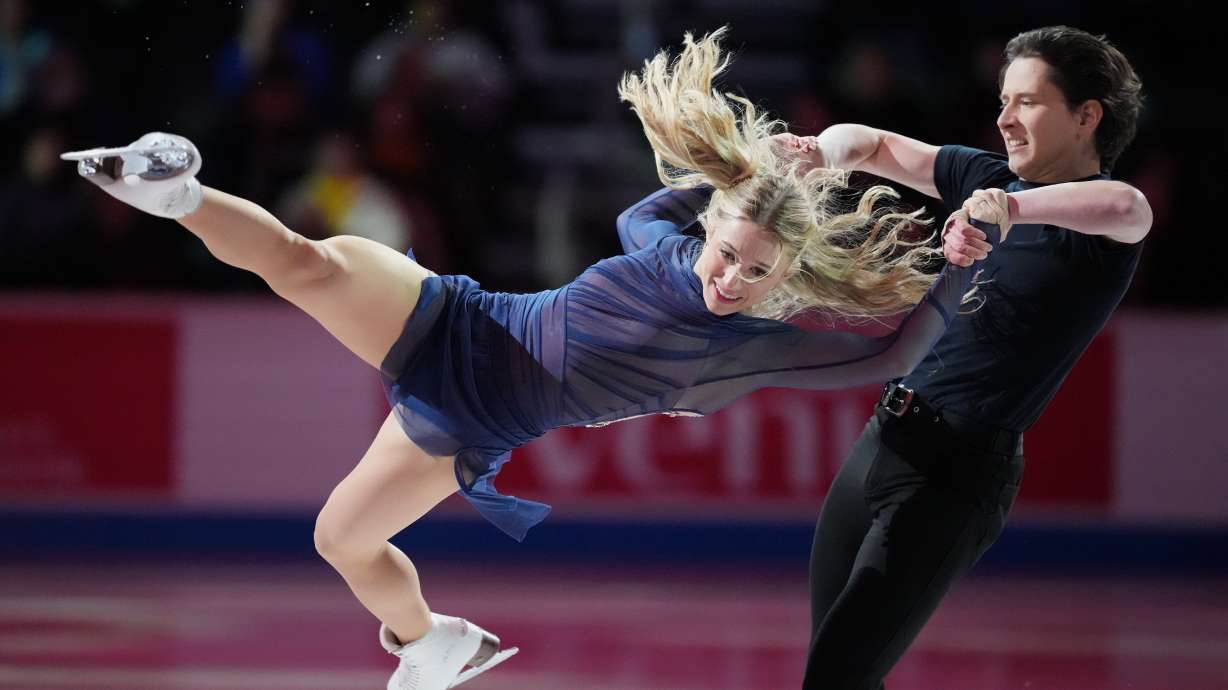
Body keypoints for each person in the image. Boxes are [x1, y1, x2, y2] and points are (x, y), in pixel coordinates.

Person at [61, 29, 1003, 690]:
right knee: (304, 265)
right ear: (711, 225)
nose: (730, 278)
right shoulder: (659, 235)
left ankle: (429, 643)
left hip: (469, 419)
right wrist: (767, 172)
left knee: (340, 540)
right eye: (726, 252)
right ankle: (176, 189)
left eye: (757, 272)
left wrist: (960, 267)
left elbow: (892, 350)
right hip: (454, 318)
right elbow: (684, 208)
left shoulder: (743, 352)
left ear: (781, 276)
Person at [779, 25, 1151, 689]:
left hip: (956, 479)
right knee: (832, 668)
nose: (1004, 118)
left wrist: (1008, 207)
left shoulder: (1105, 226)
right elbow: (875, 145)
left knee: (835, 677)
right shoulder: (985, 177)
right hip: (882, 442)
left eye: (1027, 102)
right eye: (1003, 99)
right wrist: (819, 151)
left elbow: (1124, 204)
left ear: (1086, 115)